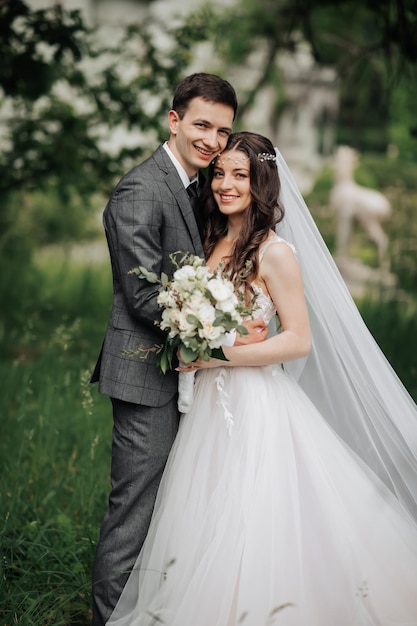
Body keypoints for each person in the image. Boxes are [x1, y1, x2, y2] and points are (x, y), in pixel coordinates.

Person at [106, 131, 417, 626]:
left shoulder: (276, 253)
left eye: (240, 175)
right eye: (220, 174)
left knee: (251, 514)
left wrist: (218, 355)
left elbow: (297, 340)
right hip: (204, 403)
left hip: (253, 404)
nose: (225, 185)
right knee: (201, 512)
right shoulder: (209, 239)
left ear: (263, 183)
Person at [90, 76, 269, 625]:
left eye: (222, 129)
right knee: (135, 512)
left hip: (187, 374)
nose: (213, 140)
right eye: (201, 125)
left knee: (175, 509)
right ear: (173, 120)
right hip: (147, 375)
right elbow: (144, 294)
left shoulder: (196, 185)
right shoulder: (141, 189)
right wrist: (225, 336)